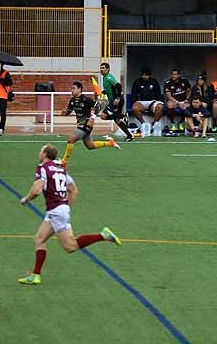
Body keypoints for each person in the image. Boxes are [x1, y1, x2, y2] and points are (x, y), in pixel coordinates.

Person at [17, 145, 121, 286]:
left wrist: (26, 199)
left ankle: (103, 235)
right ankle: (36, 275)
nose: (39, 153)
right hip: (58, 210)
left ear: (45, 155)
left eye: (41, 151)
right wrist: (65, 206)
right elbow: (74, 190)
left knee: (70, 246)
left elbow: (36, 190)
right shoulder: (61, 168)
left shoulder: (42, 168)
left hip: (56, 211)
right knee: (40, 239)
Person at [62, 81, 120, 164]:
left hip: (86, 124)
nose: (72, 90)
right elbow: (68, 111)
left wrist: (92, 117)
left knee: (71, 140)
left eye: (73, 88)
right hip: (80, 124)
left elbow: (98, 107)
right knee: (90, 146)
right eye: (71, 89)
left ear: (79, 89)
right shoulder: (72, 100)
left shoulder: (86, 99)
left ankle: (63, 162)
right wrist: (64, 113)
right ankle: (110, 143)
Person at [97, 62, 134, 142]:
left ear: (108, 69)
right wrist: (102, 92)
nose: (101, 70)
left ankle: (122, 116)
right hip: (115, 101)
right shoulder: (105, 78)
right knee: (117, 120)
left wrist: (117, 98)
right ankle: (130, 135)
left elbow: (118, 86)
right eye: (101, 68)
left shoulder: (109, 77)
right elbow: (110, 89)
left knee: (103, 116)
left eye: (103, 68)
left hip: (116, 101)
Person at [130, 68, 164, 135]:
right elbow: (134, 94)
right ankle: (144, 124)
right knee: (134, 108)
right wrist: (134, 102)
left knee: (160, 107)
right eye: (143, 75)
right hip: (141, 102)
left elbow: (158, 93)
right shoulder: (137, 81)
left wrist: (159, 101)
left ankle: (153, 125)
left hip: (152, 102)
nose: (144, 77)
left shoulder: (154, 81)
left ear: (149, 75)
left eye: (146, 75)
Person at [163, 68, 192, 134]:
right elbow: (169, 96)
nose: (173, 76)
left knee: (188, 107)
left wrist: (187, 99)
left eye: (175, 74)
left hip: (183, 100)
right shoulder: (168, 83)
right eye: (172, 74)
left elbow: (189, 90)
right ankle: (173, 123)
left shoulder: (184, 81)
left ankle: (181, 123)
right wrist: (177, 102)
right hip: (173, 100)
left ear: (179, 75)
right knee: (170, 106)